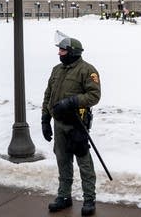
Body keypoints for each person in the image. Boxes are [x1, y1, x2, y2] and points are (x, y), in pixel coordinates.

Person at [42, 37, 101, 216]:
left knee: (84, 163)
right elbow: (48, 96)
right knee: (62, 160)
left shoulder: (87, 70)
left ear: (73, 51)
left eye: (63, 50)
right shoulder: (56, 70)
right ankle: (64, 196)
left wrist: (72, 102)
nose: (59, 53)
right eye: (59, 50)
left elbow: (94, 96)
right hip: (59, 123)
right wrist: (45, 120)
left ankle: (89, 198)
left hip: (77, 125)